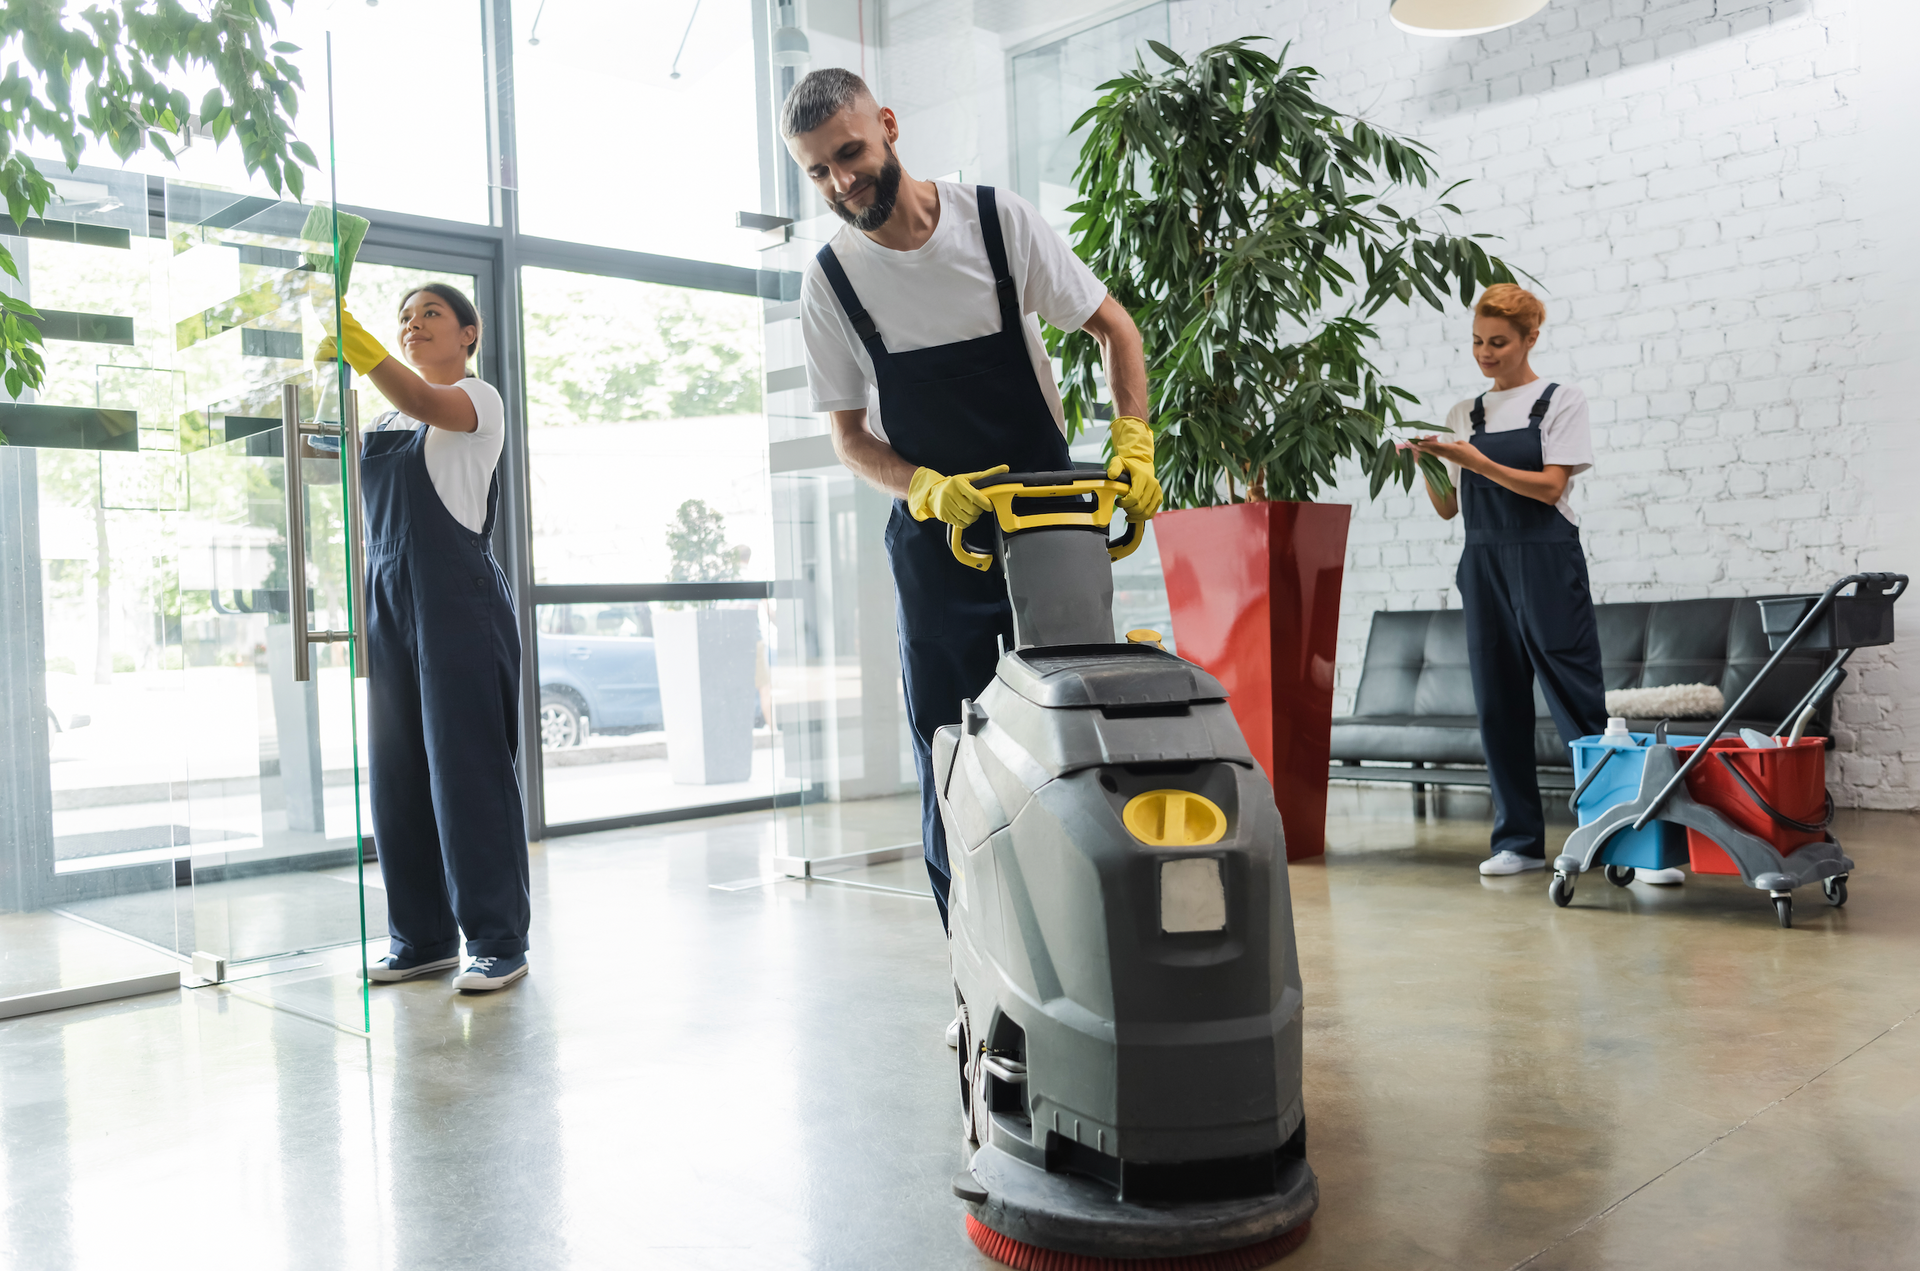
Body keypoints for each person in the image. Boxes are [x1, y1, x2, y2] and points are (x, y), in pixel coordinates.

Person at [784, 68, 1161, 934]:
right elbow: (850, 437)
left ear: (887, 125)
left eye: (851, 154)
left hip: (1048, 525)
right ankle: (972, 952)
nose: (842, 183)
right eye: (818, 172)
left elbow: (1116, 327)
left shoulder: (995, 222)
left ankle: (1091, 932)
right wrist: (925, 487)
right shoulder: (833, 280)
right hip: (936, 541)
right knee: (948, 747)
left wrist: (1132, 438)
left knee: (1071, 724)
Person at [320, 283, 533, 990]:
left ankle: (499, 940)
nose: (414, 325)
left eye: (431, 315)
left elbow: (421, 400)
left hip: (457, 602)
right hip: (388, 601)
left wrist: (360, 345)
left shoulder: (479, 400)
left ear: (469, 333)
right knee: (398, 771)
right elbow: (352, 436)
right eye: (404, 318)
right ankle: (422, 936)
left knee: (466, 770)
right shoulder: (386, 412)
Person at [1408, 286, 1660, 880]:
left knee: (1578, 701)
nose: (1485, 353)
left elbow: (1550, 488)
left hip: (1547, 559)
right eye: (1477, 341)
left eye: (1498, 342)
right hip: (1484, 561)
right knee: (1499, 705)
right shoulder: (1461, 415)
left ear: (1529, 340)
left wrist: (1477, 462)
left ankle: (1624, 843)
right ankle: (1518, 842)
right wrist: (1424, 462)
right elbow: (1449, 509)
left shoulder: (1560, 400)